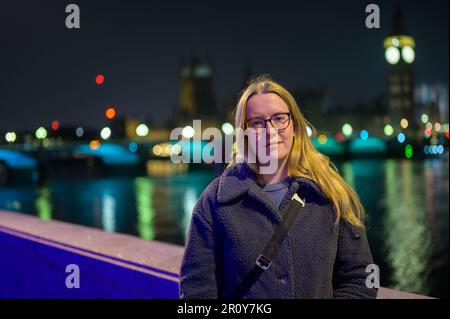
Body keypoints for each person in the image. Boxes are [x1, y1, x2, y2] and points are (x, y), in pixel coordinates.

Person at [179, 75, 378, 299]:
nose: (270, 129)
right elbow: (196, 290)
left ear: (294, 124)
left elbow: (362, 277)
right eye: (256, 122)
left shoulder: (332, 193)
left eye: (279, 118)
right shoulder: (215, 202)